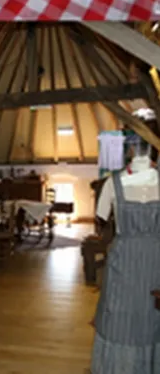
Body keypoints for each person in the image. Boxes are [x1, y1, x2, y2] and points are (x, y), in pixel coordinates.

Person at [91, 134, 160, 373]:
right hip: (147, 260)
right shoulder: (114, 182)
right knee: (139, 316)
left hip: (137, 260)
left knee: (137, 317)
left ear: (130, 150)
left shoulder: (112, 183)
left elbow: (101, 217)